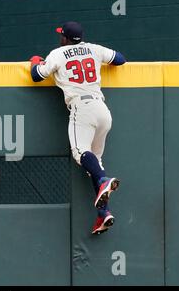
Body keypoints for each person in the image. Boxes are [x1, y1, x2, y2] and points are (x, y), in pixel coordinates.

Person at [29, 21, 126, 235]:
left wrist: (35, 63)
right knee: (95, 162)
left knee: (80, 153)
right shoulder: (94, 48)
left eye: (61, 35)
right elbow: (120, 59)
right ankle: (104, 214)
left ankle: (103, 180)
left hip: (81, 108)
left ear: (64, 38)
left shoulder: (58, 54)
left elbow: (36, 76)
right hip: (102, 109)